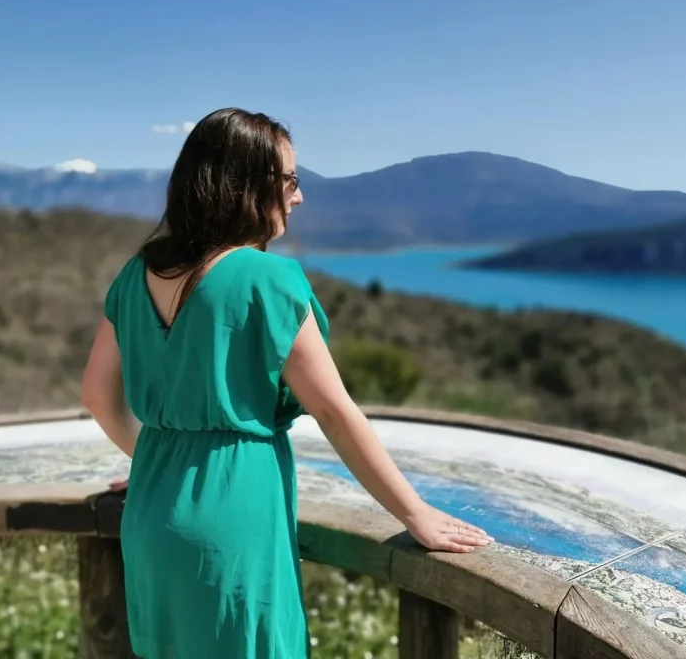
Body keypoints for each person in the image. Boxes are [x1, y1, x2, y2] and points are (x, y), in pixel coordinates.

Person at [80, 107, 491, 659]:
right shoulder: (268, 280)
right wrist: (416, 513)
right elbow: (334, 411)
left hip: (152, 512)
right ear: (247, 184)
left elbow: (96, 394)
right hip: (231, 522)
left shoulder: (135, 274)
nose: (298, 197)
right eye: (291, 180)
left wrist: (162, 459)